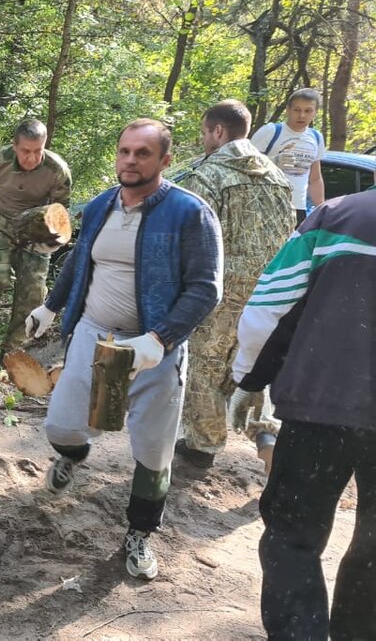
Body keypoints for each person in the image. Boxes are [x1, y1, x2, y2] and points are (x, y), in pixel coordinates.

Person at [27, 119, 222, 580]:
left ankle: (139, 535)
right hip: (94, 336)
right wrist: (51, 307)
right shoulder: (100, 206)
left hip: (154, 349)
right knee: (61, 426)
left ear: (165, 160)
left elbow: (205, 288)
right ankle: (73, 457)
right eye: (125, 151)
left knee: (153, 451)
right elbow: (79, 258)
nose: (131, 160)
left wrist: (159, 339)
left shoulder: (189, 213)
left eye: (143, 153)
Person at [230, 189, 376, 640]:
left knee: (293, 535)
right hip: (320, 407)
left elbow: (272, 307)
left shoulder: (337, 216)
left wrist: (248, 379)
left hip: (317, 408)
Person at [174, 100, 293, 471]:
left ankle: (203, 445)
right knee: (256, 363)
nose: (204, 139)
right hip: (271, 290)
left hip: (222, 288)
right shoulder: (278, 176)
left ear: (218, 132)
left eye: (205, 132)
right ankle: (265, 435)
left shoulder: (208, 176)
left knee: (207, 365)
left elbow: (194, 237)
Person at [0, 118, 71, 350]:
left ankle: (11, 349)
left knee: (33, 292)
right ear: (14, 146)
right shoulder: (0, 158)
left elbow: (60, 211)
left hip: (36, 230)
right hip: (1, 222)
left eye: (38, 151)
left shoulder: (57, 169)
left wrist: (53, 241)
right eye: (26, 151)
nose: (32, 157)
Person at [250, 88, 326, 225]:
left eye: (308, 111)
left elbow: (315, 178)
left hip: (298, 208)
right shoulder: (271, 131)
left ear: (315, 113)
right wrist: (273, 162)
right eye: (297, 110)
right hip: (267, 205)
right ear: (288, 110)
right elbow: (245, 164)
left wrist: (321, 209)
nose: (302, 115)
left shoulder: (316, 138)